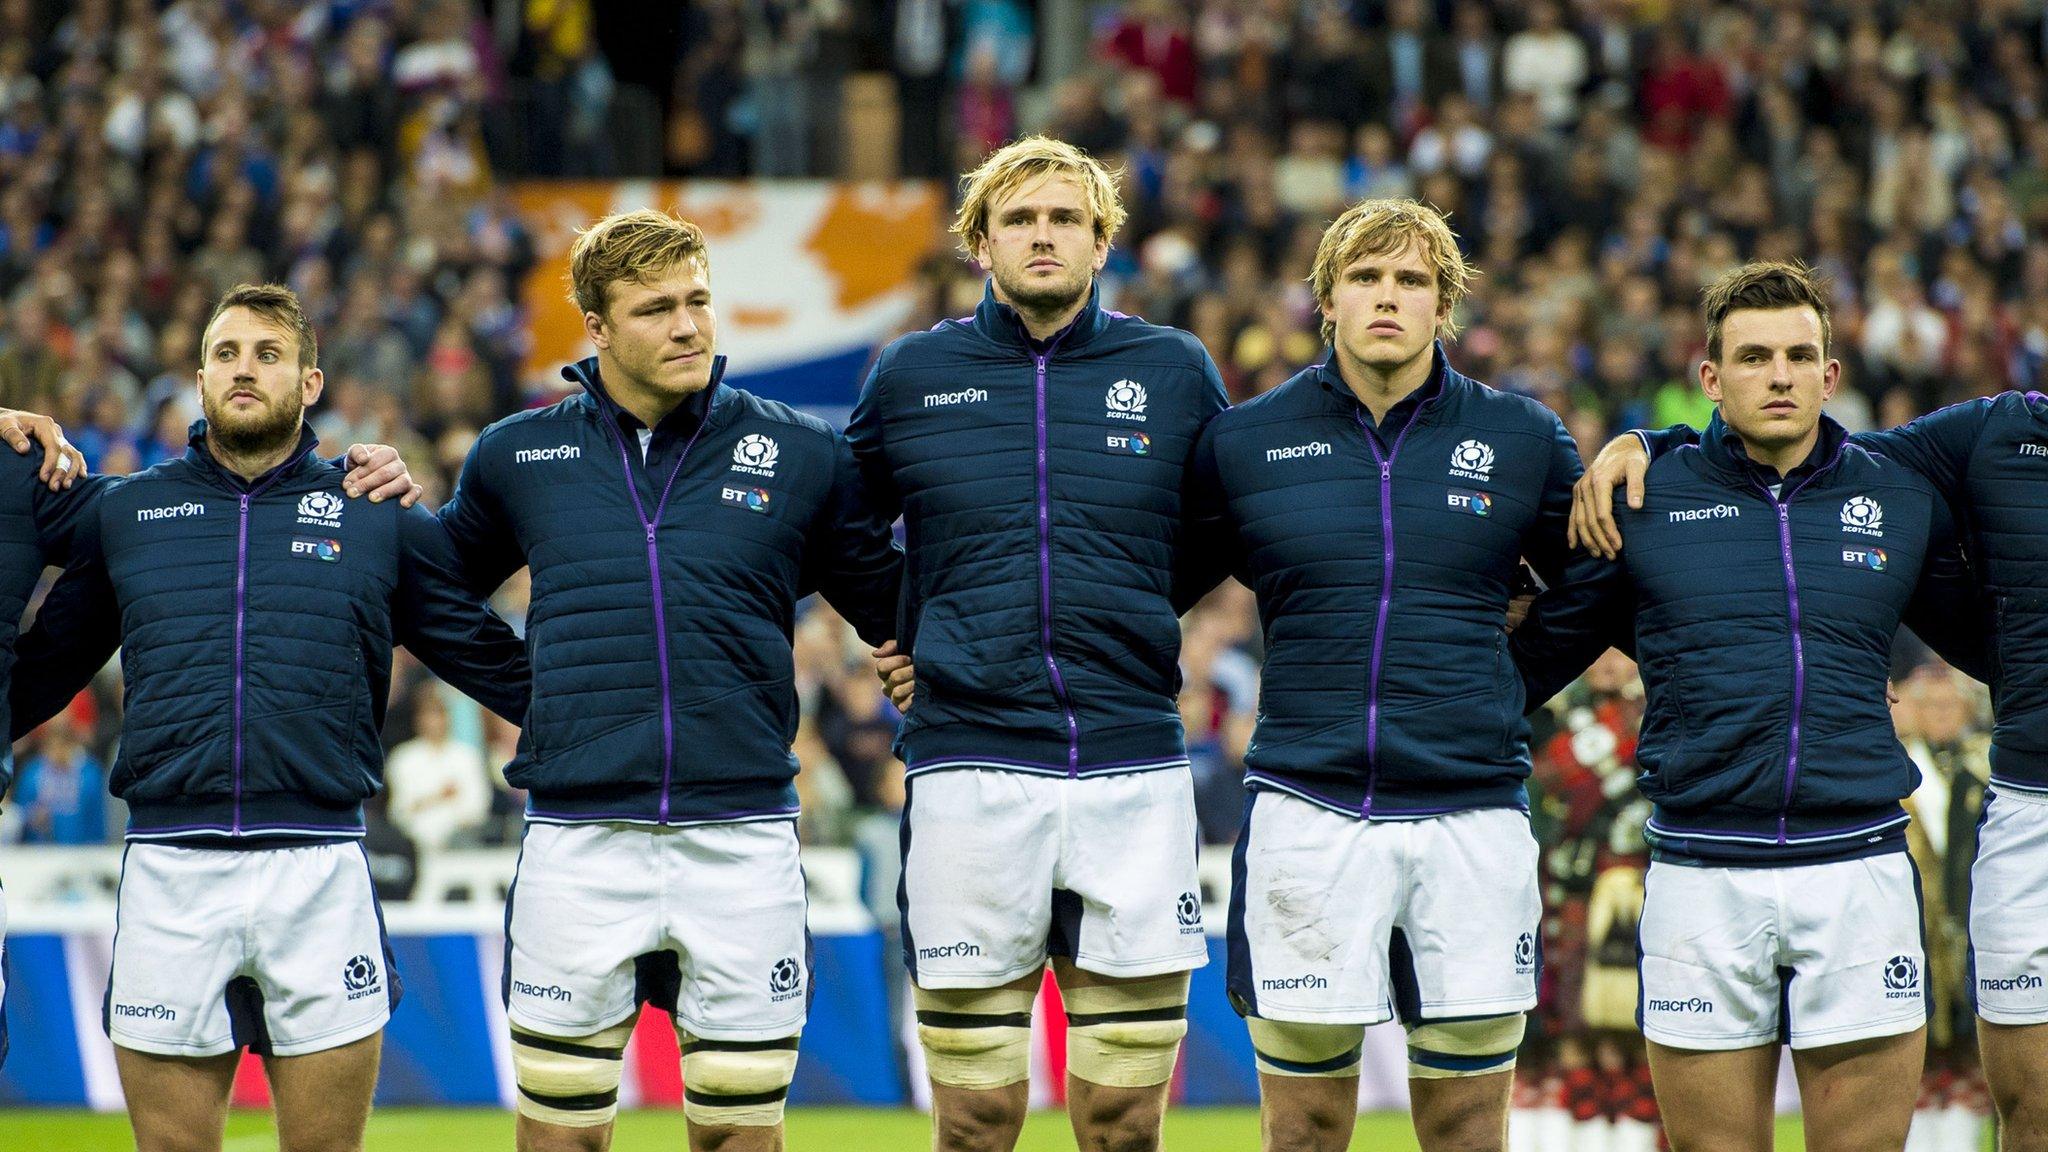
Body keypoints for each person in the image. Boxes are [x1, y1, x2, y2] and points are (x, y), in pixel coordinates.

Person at [7, 284, 527, 1152]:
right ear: (198, 380)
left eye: (268, 353)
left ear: (311, 382)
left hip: (320, 866)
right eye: (225, 354)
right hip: (171, 866)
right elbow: (40, 675)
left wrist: (615, 719)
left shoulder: (374, 515)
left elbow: (486, 656)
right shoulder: (129, 514)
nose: (244, 368)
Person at [437, 208, 902, 1152]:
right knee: (560, 1137)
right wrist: (538, 695)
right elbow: (431, 596)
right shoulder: (516, 455)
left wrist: (919, 645)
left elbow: (890, 598)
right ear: (598, 331)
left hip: (743, 842)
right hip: (579, 840)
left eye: (698, 301)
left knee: (740, 1133)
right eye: (656, 309)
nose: (689, 325)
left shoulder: (804, 455)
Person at [1512, 262, 1980, 1152]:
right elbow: (1530, 663)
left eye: (1800, 355)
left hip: (1859, 870)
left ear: (1831, 376)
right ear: (1711, 380)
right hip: (1701, 874)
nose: (1779, 374)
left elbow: (1987, 639)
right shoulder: (1643, 500)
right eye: (1754, 356)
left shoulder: (1896, 494)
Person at [848, 135, 1228, 1152]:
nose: (1043, 235)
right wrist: (901, 625)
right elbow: (831, 521)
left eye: (1065, 218)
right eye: (1018, 218)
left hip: (1131, 764)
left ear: (1102, 242)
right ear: (980, 242)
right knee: (974, 1118)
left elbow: (1233, 521)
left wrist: (1140, 604)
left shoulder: (1174, 370)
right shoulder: (914, 374)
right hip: (971, 762)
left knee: (1120, 1119)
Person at [1178, 198, 1581, 1152]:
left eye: (1411, 280)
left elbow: (1604, 586)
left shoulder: (1522, 438)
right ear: (1326, 299)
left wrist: (1506, 680)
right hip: (1307, 809)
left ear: (1446, 305)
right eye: (1365, 277)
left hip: (1471, 810)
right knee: (1307, 1124)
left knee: (1466, 1123)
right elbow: (1147, 579)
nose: (1387, 297)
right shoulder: (1247, 443)